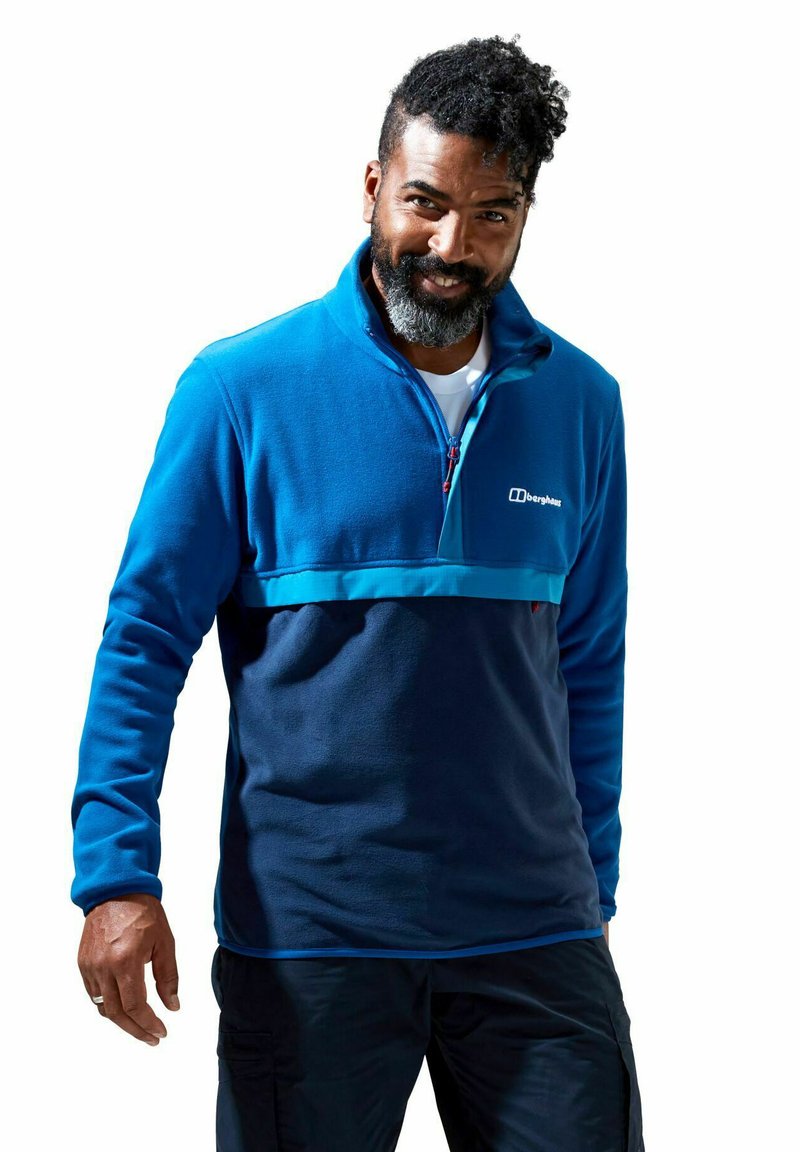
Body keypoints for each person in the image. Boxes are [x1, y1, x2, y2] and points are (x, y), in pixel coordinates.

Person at [71, 33, 645, 1152]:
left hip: (535, 932)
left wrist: (597, 893)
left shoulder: (582, 403)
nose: (450, 244)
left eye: (491, 214)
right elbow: (144, 639)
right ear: (374, 184)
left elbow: (590, 660)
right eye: (425, 201)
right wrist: (115, 878)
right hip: (311, 938)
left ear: (525, 215)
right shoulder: (241, 390)